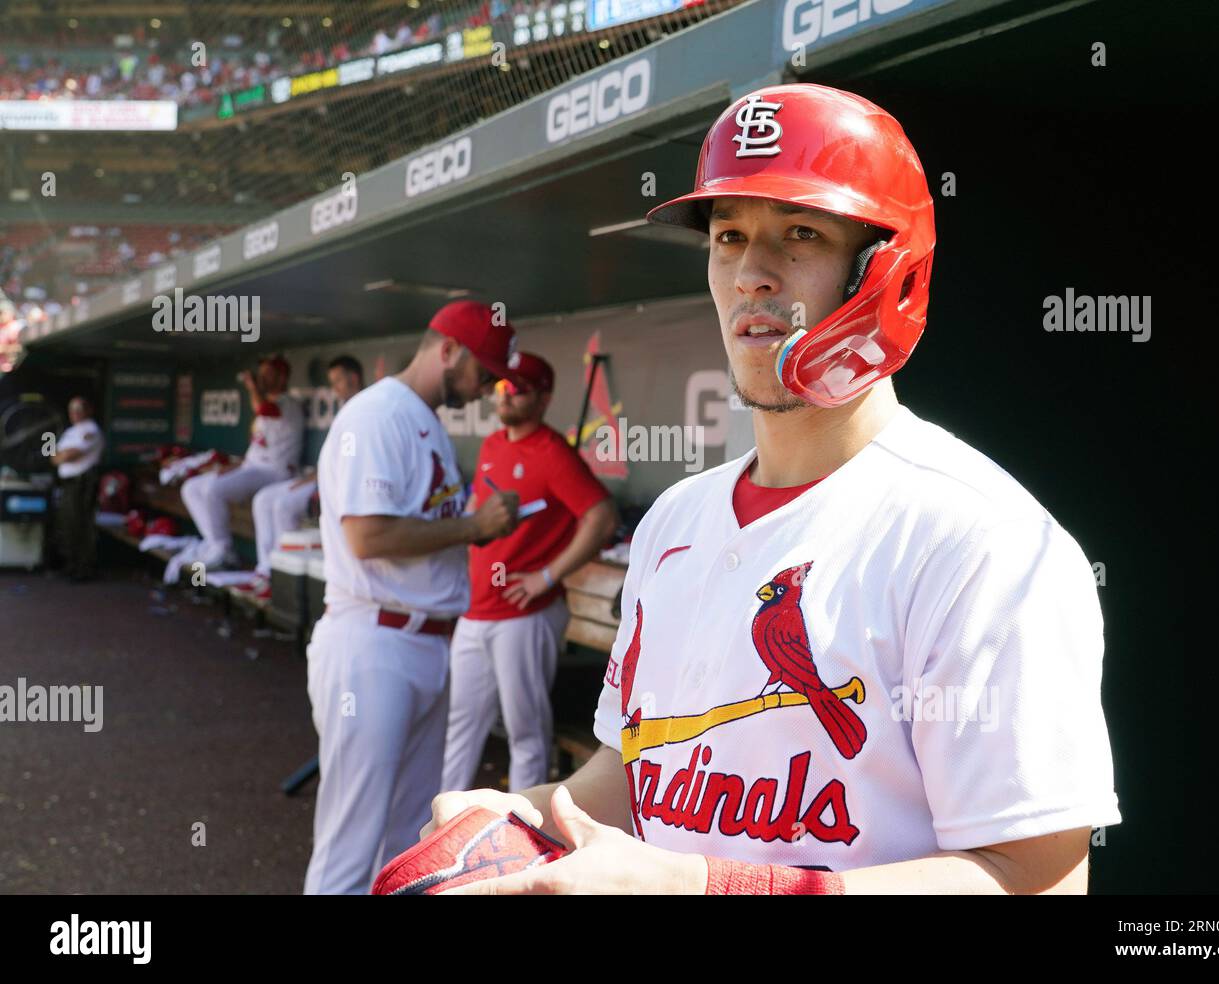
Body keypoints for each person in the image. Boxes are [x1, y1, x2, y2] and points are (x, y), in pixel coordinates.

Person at [420, 84, 1122, 895]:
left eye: (799, 233)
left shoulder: (980, 540)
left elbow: (1037, 881)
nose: (752, 272)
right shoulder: (674, 523)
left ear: (885, 273)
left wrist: (706, 886)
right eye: (728, 236)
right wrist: (513, 821)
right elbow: (624, 781)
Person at [304, 301, 524, 894]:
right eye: (484, 371)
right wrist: (476, 527)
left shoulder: (420, 418)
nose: (486, 388)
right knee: (350, 841)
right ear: (447, 350)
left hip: (423, 641)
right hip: (373, 642)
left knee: (405, 839)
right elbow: (367, 534)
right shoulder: (378, 415)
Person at [442, 353, 618, 794]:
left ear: (543, 398)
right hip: (477, 609)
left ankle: (524, 839)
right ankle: (443, 832)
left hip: (524, 614)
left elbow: (601, 517)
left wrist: (546, 576)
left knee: (525, 732)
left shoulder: (553, 451)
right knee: (461, 728)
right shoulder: (492, 443)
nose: (506, 395)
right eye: (501, 386)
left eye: (518, 388)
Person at [246, 355, 364, 598]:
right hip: (319, 475)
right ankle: (266, 569)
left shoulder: (364, 407)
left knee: (282, 506)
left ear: (354, 378)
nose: (335, 388)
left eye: (339, 381)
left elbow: (352, 461)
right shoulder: (348, 408)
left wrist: (319, 480)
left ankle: (283, 573)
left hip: (338, 483)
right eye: (332, 382)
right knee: (263, 500)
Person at [180, 354, 302, 568]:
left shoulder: (288, 404)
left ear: (282, 378)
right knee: (191, 487)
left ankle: (222, 547)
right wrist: (236, 466)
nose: (262, 379)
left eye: (268, 374)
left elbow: (262, 409)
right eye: (261, 374)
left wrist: (251, 386)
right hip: (253, 467)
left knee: (213, 490)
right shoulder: (269, 404)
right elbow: (257, 445)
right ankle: (214, 543)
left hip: (274, 471)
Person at [50, 396, 103, 582]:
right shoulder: (72, 431)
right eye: (72, 410)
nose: (75, 414)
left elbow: (69, 455)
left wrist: (62, 455)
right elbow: (54, 456)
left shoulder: (91, 429)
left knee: (81, 525)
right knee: (67, 525)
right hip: (68, 484)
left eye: (79, 410)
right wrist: (61, 455)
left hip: (83, 484)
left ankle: (84, 569)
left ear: (88, 411)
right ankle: (70, 566)